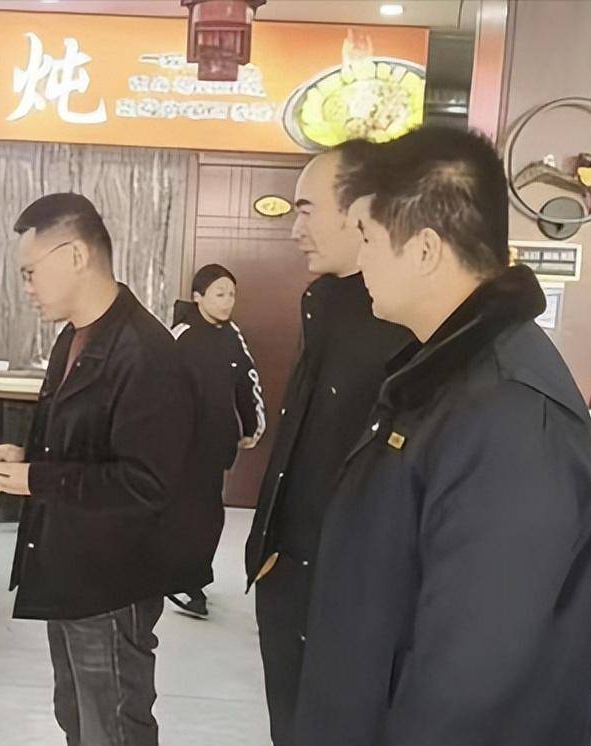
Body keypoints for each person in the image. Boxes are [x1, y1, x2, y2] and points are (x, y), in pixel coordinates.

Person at [296, 126, 591, 746]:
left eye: (368, 237)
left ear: (425, 250)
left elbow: (468, 676)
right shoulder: (440, 374)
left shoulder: (511, 416)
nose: (361, 262)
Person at [0, 193, 198, 746]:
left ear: (75, 255)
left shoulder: (145, 352)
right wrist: (26, 458)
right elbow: (83, 445)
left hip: (112, 581)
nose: (27, 287)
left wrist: (38, 479)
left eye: (30, 272)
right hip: (70, 567)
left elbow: (146, 484)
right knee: (78, 717)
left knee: (113, 726)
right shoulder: (73, 337)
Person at [243, 139, 414, 744]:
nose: (296, 230)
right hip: (290, 570)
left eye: (307, 210)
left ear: (361, 210)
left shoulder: (402, 319)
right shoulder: (320, 300)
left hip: (351, 588)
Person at [167, 263, 265, 619]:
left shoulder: (231, 335)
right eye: (219, 294)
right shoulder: (180, 336)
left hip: (215, 444)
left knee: (208, 516)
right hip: (181, 445)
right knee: (186, 513)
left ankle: (193, 580)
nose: (227, 301)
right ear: (198, 297)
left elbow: (246, 381)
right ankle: (184, 582)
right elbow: (156, 387)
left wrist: (252, 425)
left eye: (232, 294)